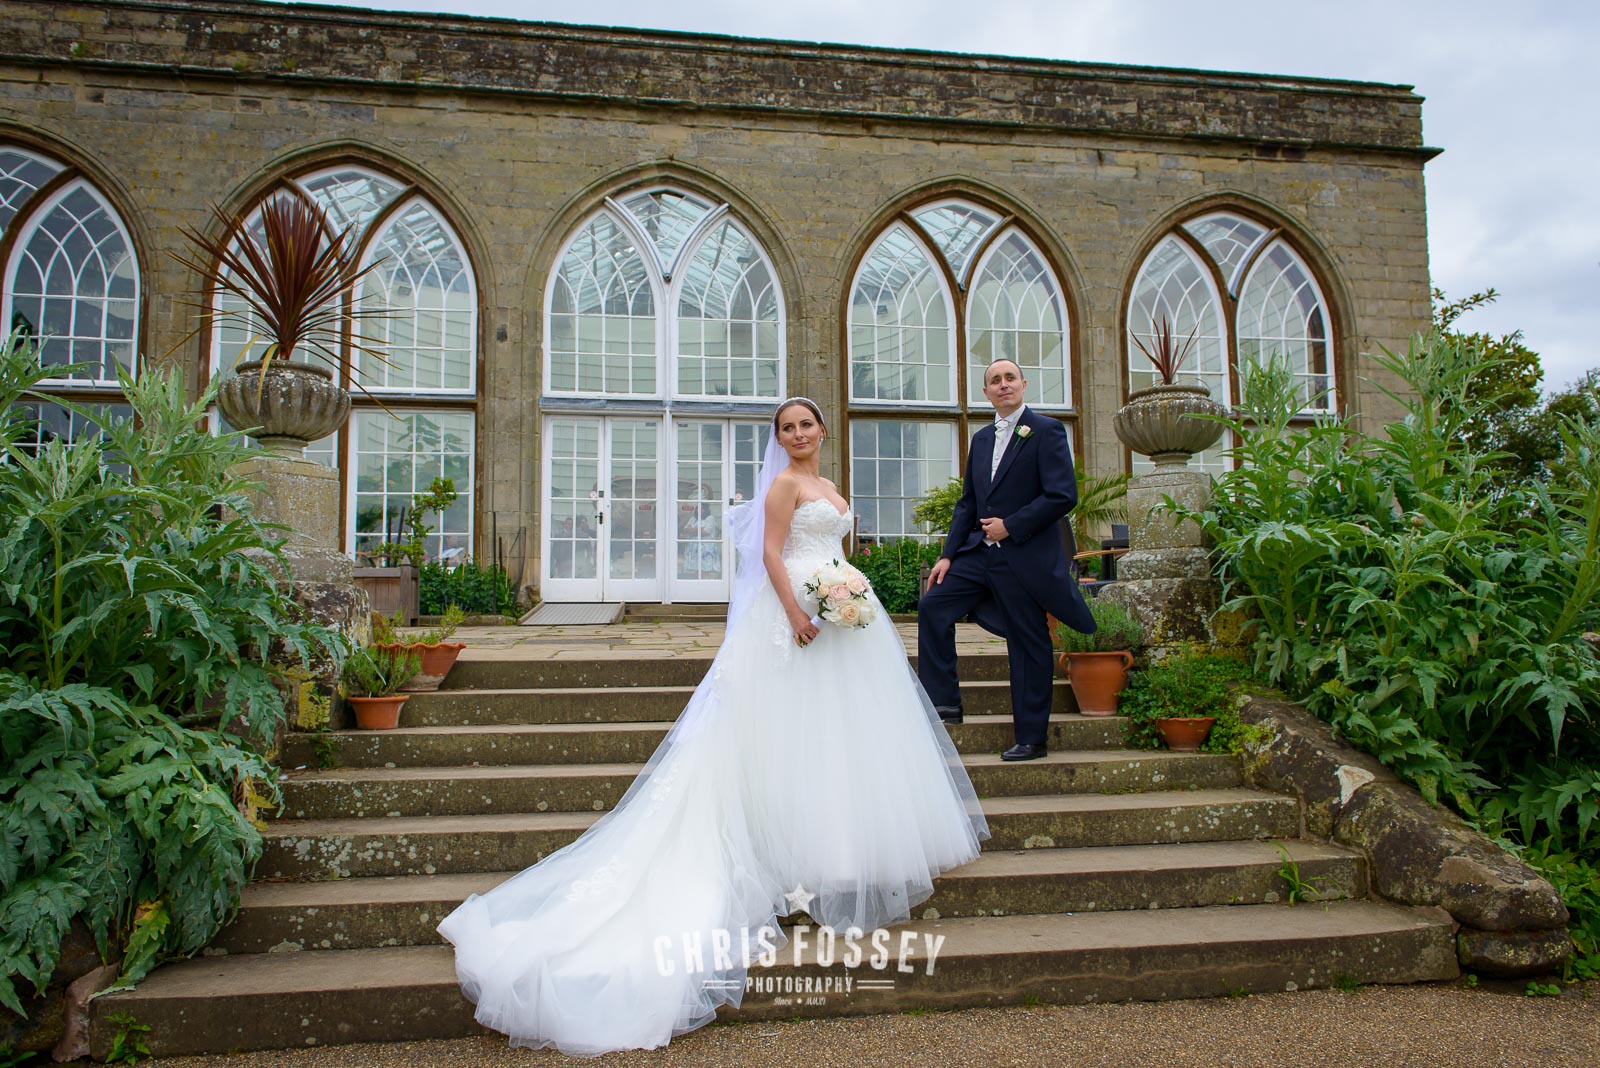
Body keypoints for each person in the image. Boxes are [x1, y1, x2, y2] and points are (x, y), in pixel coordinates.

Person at [438, 397, 989, 1058]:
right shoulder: (784, 484)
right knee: (789, 738)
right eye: (786, 427)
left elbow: (832, 542)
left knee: (838, 742)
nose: (797, 434)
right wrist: (798, 613)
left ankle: (837, 853)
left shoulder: (831, 487)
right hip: (796, 620)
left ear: (821, 430)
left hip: (845, 622)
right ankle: (790, 854)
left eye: (805, 424)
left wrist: (846, 589)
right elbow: (771, 555)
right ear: (780, 439)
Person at [916, 359, 1094, 762]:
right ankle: (945, 702)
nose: (1003, 385)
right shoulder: (980, 440)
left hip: (1024, 557)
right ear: (986, 393)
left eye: (1009, 378)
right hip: (979, 554)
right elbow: (967, 504)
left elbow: (1062, 495)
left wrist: (1011, 526)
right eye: (994, 380)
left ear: (1023, 384)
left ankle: (1032, 738)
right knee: (934, 605)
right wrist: (947, 555)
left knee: (1028, 640)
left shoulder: (1047, 431)